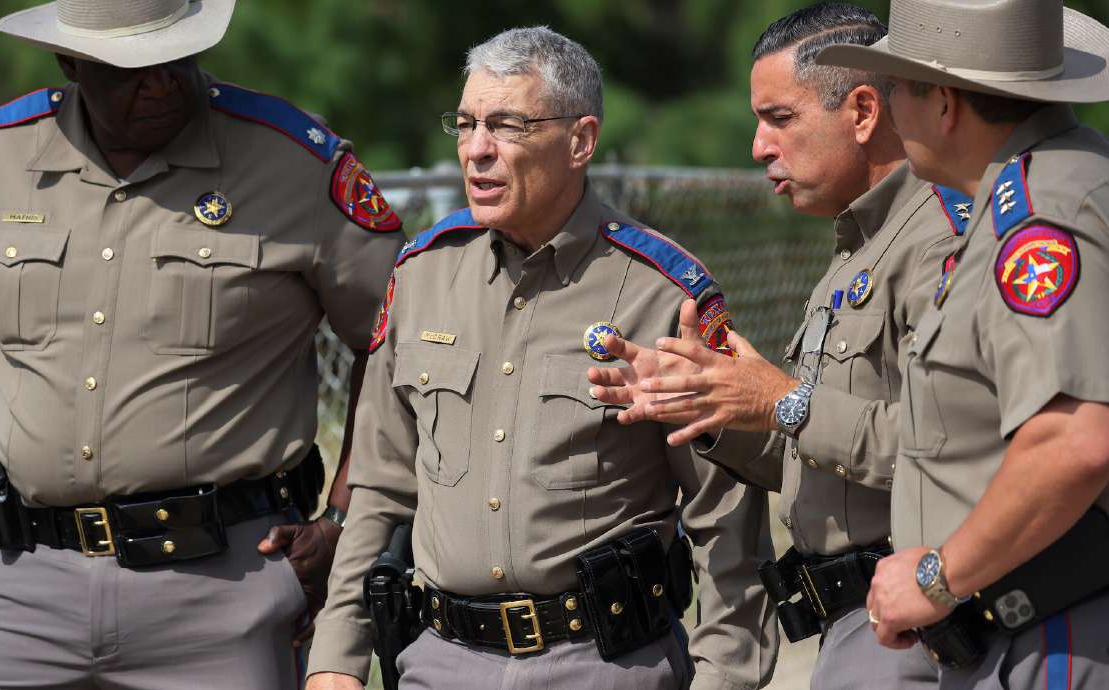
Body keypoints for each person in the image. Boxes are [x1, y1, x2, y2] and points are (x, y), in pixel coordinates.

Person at [0, 1, 405, 688]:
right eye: (131, 70)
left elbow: (402, 345)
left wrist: (343, 519)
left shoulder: (293, 163)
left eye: (176, 60)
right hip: (25, 585)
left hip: (229, 585)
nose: (161, 84)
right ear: (69, 62)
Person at [304, 26, 777, 690]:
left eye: (506, 126)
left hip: (604, 665)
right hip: (438, 662)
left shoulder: (662, 294)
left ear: (580, 141)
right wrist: (336, 656)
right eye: (466, 124)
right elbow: (382, 486)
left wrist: (725, 678)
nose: (476, 151)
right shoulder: (422, 275)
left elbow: (724, 522)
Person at [587, 4, 969, 688]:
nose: (759, 146)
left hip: (922, 624)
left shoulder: (940, 240)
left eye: (780, 118)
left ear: (860, 111)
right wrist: (706, 406)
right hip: (859, 623)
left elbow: (956, 452)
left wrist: (783, 401)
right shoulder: (859, 246)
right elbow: (821, 455)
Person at [814, 0, 1109, 686]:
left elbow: (1074, 440)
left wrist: (938, 578)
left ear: (944, 103)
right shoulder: (1049, 184)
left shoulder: (1042, 216)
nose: (888, 113)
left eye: (893, 90)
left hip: (1054, 627)